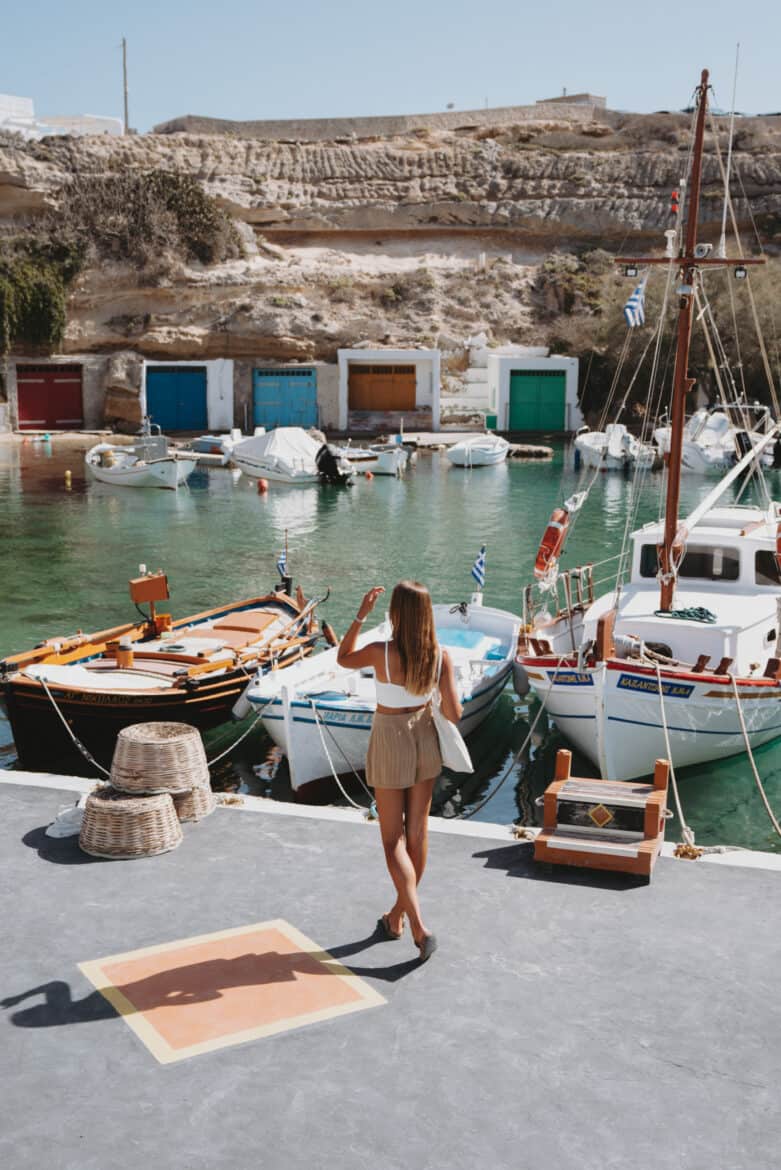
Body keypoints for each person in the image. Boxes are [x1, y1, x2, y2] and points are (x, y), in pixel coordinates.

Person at [337, 580, 462, 962]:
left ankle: (419, 927)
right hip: (424, 735)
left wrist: (360, 614)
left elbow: (343, 657)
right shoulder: (441, 656)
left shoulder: (380, 652)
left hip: (390, 737)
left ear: (394, 614)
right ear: (427, 615)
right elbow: (455, 714)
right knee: (417, 834)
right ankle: (395, 918)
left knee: (392, 841)